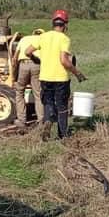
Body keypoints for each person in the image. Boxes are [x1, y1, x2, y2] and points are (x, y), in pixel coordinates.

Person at [25, 10, 86, 140]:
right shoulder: (64, 38)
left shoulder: (43, 37)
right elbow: (64, 60)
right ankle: (62, 135)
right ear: (65, 25)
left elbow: (27, 51)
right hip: (61, 78)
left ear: (53, 23)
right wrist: (77, 73)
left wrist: (36, 59)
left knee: (48, 102)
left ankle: (48, 120)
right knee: (62, 105)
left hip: (45, 77)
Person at [12, 28, 44, 127]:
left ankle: (22, 120)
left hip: (23, 65)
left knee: (19, 92)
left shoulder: (24, 39)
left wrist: (14, 74)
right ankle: (41, 120)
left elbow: (14, 58)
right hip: (37, 65)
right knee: (38, 93)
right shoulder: (43, 40)